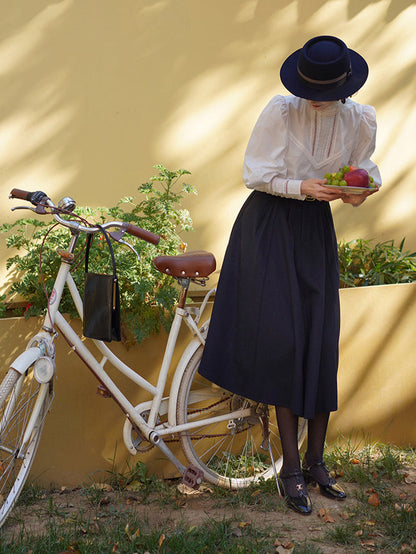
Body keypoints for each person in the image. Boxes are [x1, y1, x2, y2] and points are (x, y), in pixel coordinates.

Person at [198, 35, 381, 515]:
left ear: (344, 84)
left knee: (320, 339)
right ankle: (291, 469)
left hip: (315, 230)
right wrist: (302, 185)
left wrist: (358, 191)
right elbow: (255, 174)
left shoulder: (359, 118)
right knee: (285, 343)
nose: (315, 95)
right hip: (269, 226)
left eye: (325, 88)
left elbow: (361, 173)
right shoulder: (281, 111)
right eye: (310, 86)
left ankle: (318, 464)